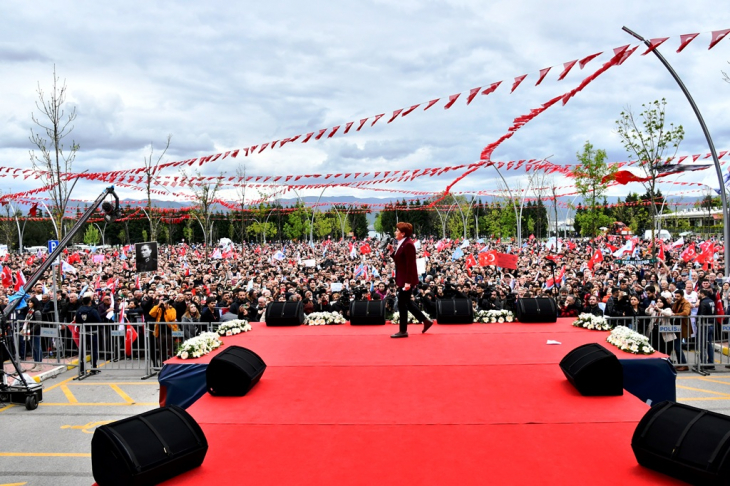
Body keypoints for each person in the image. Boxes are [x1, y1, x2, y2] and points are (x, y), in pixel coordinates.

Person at [388, 222, 433, 338]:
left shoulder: (408, 245)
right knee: (406, 302)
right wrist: (392, 252)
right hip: (402, 278)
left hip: (406, 280)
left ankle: (403, 330)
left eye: (397, 230)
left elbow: (410, 265)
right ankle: (425, 321)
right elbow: (400, 261)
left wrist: (408, 282)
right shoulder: (402, 243)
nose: (395, 232)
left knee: (403, 304)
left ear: (403, 233)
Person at [75, 292, 101, 375]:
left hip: (82, 333)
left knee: (82, 351)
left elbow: (77, 321)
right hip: (92, 333)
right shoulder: (93, 310)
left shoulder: (78, 311)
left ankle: (82, 369)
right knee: (93, 350)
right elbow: (99, 321)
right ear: (90, 302)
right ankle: (93, 368)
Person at [671, 289, 691, 371]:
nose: (676, 297)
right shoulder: (676, 302)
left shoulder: (686, 303)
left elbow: (686, 312)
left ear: (682, 296)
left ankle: (684, 364)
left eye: (678, 296)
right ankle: (681, 364)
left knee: (678, 346)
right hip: (676, 326)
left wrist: (675, 315)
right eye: (675, 296)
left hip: (682, 326)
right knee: (676, 347)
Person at [697, 288, 716, 371]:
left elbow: (702, 314)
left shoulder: (703, 302)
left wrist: (698, 320)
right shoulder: (711, 301)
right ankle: (710, 363)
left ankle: (703, 363)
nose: (697, 295)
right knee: (709, 344)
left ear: (702, 294)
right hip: (711, 324)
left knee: (702, 344)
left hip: (704, 325)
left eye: (698, 293)